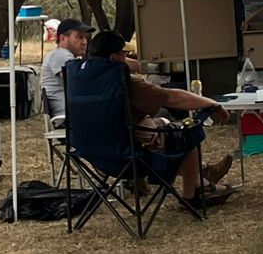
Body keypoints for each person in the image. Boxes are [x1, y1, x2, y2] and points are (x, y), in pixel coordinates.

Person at [82, 29, 235, 202]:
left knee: (163, 122)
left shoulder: (79, 80)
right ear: (114, 58)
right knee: (188, 131)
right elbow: (174, 98)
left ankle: (202, 177)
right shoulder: (126, 83)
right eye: (124, 54)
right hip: (130, 156)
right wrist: (213, 104)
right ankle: (193, 192)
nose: (127, 58)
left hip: (95, 154)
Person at [39, 18, 91, 124]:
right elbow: (80, 83)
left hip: (72, 114)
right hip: (68, 118)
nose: (84, 42)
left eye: (85, 37)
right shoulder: (61, 55)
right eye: (79, 37)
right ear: (62, 38)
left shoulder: (65, 56)